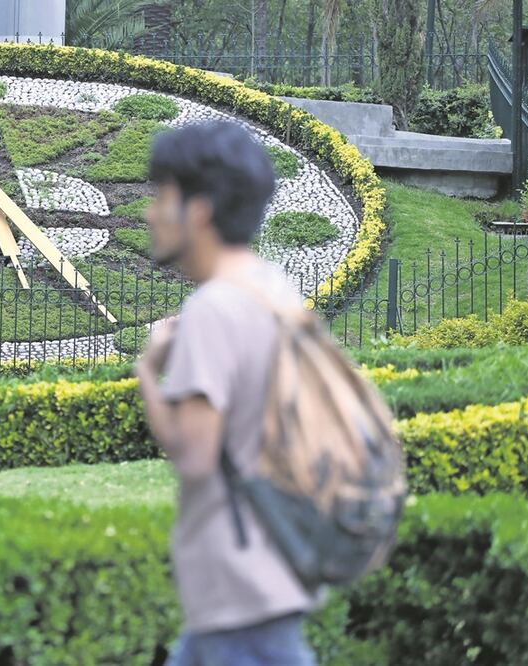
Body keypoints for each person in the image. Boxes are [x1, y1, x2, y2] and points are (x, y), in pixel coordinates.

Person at [135, 120, 319, 666]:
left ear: (199, 210)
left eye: (161, 196)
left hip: (239, 589)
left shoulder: (213, 309)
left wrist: (148, 372)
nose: (149, 212)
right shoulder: (273, 288)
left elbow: (194, 455)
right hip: (273, 570)